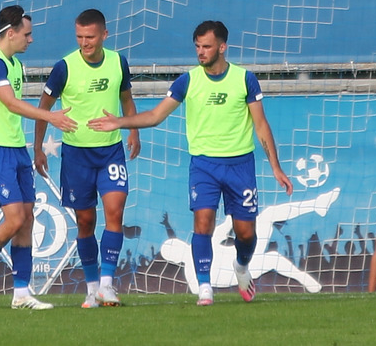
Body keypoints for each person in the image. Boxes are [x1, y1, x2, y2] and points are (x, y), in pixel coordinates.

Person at [87, 20, 293, 306]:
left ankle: (242, 266)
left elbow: (261, 125)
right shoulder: (187, 80)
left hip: (240, 166)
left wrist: (276, 167)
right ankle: (205, 287)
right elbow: (156, 115)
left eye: (207, 46)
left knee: (246, 233)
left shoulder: (245, 79)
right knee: (203, 221)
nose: (201, 52)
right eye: (197, 46)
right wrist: (121, 122)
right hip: (204, 166)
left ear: (222, 47)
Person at [0, 5, 77, 309]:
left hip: (16, 148)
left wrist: (35, 149)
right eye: (27, 34)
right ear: (10, 33)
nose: (31, 39)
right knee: (14, 218)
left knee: (26, 219)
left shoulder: (15, 65)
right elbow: (11, 104)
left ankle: (22, 294)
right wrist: (50, 116)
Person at [33, 9, 141, 308]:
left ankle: (107, 285)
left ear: (104, 35)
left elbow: (126, 99)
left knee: (115, 211)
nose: (84, 43)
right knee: (85, 221)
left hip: (110, 151)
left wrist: (133, 131)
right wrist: (38, 148)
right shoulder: (64, 67)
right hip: (76, 155)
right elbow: (43, 108)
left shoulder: (118, 62)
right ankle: (92, 289)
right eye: (79, 37)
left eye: (90, 37)